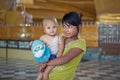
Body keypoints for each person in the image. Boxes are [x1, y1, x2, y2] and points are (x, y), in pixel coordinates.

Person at [40, 11, 86, 80]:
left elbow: (64, 59)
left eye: (69, 27)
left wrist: (46, 63)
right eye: (64, 26)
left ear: (79, 26)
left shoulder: (80, 43)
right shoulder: (61, 39)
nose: (66, 30)